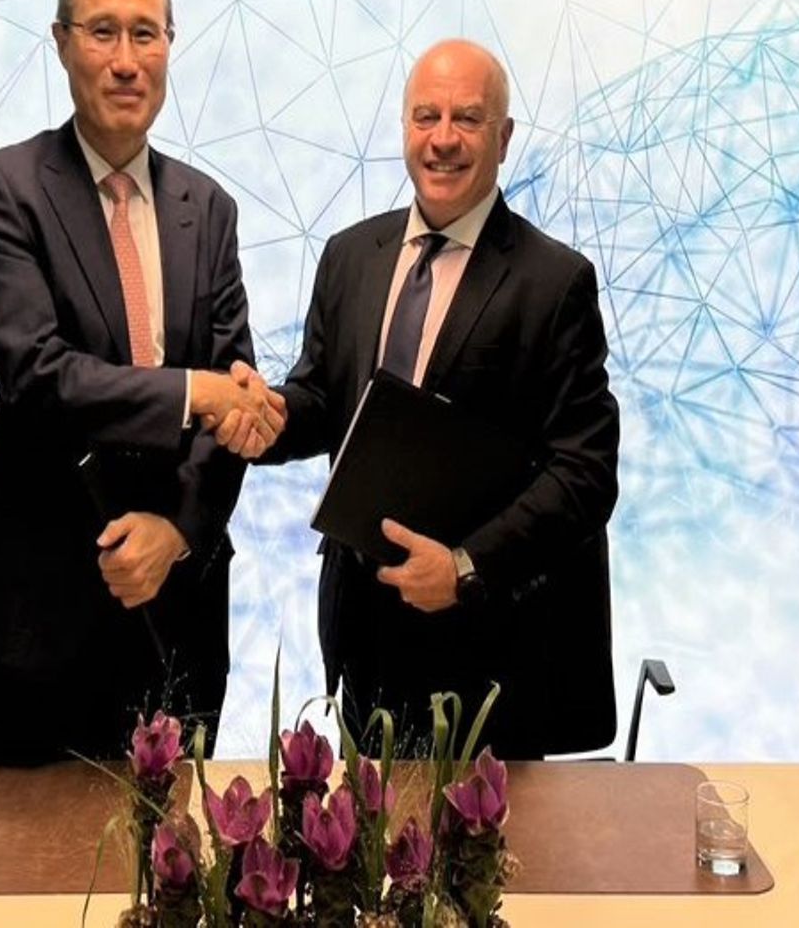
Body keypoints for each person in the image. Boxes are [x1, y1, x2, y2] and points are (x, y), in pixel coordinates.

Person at [0, 0, 284, 764]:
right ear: (62, 43)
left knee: (178, 839)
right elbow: (38, 375)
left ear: (169, 47)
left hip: (177, 611)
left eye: (145, 34)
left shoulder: (210, 208)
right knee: (11, 844)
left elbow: (233, 400)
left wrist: (180, 530)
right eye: (102, 32)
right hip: (34, 614)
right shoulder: (3, 189)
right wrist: (197, 393)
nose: (126, 61)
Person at [250, 39, 620, 758]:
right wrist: (267, 417)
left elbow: (585, 472)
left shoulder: (555, 282)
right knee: (361, 831)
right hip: (363, 637)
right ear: (404, 128)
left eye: (467, 119)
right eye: (426, 117)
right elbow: (324, 396)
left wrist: (465, 568)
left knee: (488, 836)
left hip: (490, 658)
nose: (443, 138)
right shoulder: (351, 256)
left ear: (503, 138)